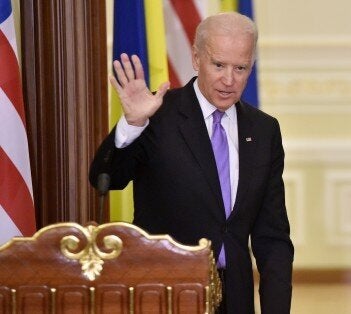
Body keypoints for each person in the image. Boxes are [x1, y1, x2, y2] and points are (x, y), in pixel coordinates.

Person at [90, 12, 293, 313]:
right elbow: (106, 177)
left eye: (241, 68)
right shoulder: (158, 115)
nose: (229, 80)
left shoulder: (263, 130)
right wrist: (132, 124)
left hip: (235, 297)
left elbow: (272, 237)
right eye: (218, 65)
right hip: (165, 292)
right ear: (196, 59)